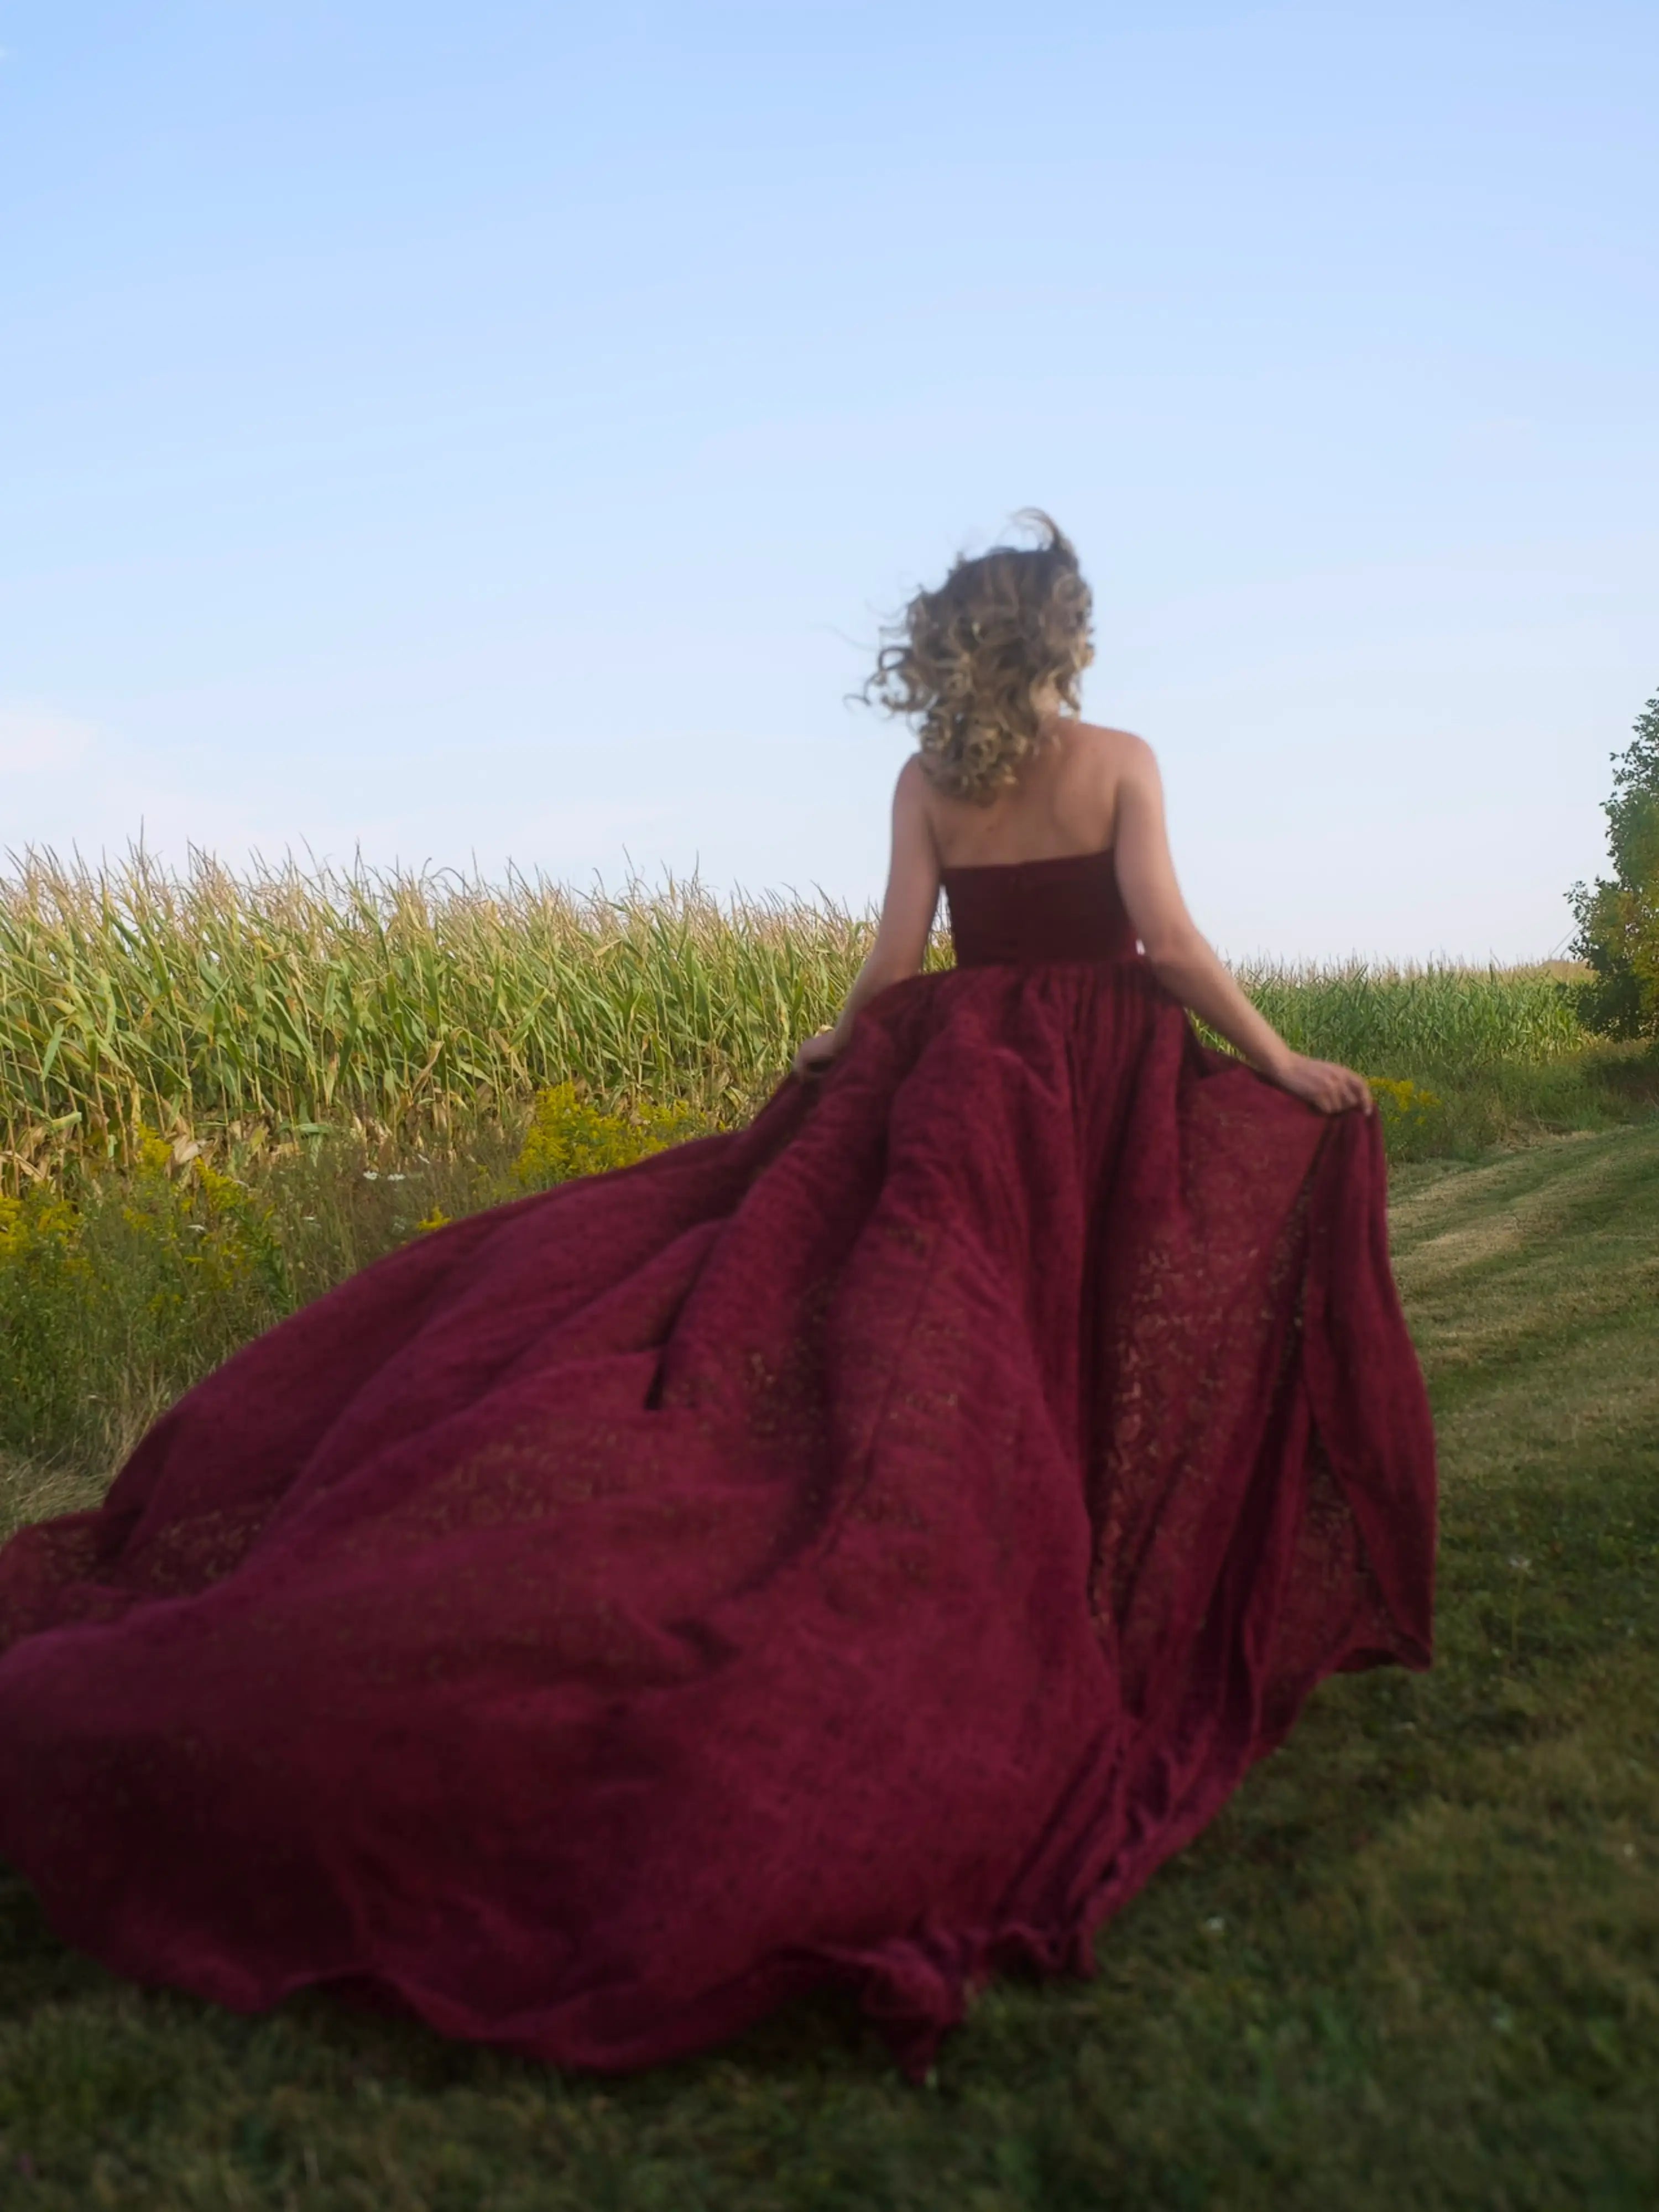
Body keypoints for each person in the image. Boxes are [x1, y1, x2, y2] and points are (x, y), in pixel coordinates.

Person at [0, 514, 1435, 2082]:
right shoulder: (1120, 760)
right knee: (1059, 1335)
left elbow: (896, 965)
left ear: (954, 648)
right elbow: (1166, 948)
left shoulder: (927, 784)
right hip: (1083, 1095)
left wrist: (833, 1057)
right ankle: (1065, 1577)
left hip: (962, 1085)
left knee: (938, 1337)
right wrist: (1277, 1063)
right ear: (1064, 639)